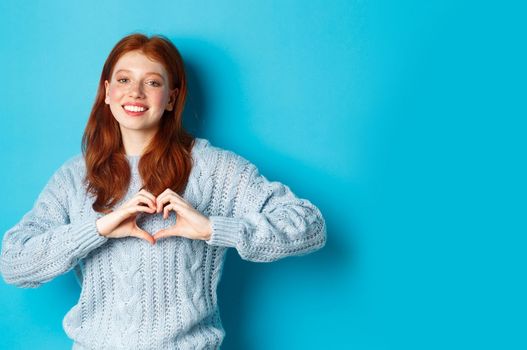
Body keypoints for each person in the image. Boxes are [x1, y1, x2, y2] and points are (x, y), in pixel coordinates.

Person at [0, 33, 327, 349]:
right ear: (107, 91)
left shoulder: (215, 168)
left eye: (153, 82)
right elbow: (14, 262)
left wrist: (213, 228)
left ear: (171, 97)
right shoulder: (74, 177)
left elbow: (309, 225)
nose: (136, 92)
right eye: (124, 80)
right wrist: (98, 229)